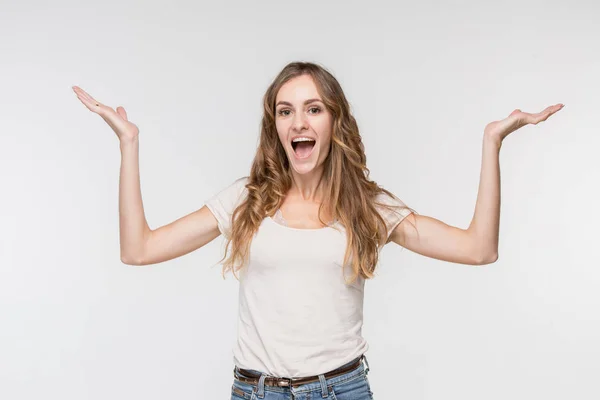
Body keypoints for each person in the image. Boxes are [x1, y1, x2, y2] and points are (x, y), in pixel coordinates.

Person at [72, 61, 563, 400]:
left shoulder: (367, 206)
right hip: (255, 391)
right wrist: (129, 145)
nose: (298, 121)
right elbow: (138, 250)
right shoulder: (247, 199)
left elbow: (478, 249)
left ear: (334, 122)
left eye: (313, 108)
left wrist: (491, 143)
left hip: (340, 390)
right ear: (275, 126)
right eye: (285, 110)